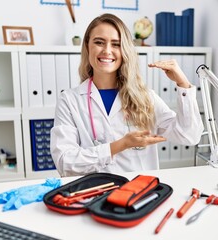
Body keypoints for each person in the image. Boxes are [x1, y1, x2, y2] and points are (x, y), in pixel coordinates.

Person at [50, 13, 204, 177]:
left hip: (139, 195)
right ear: (87, 46)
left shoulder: (145, 97)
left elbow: (189, 136)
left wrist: (184, 85)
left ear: (124, 50)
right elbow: (65, 162)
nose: (107, 50)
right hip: (93, 195)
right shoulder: (70, 100)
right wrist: (121, 145)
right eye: (99, 42)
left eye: (116, 44)